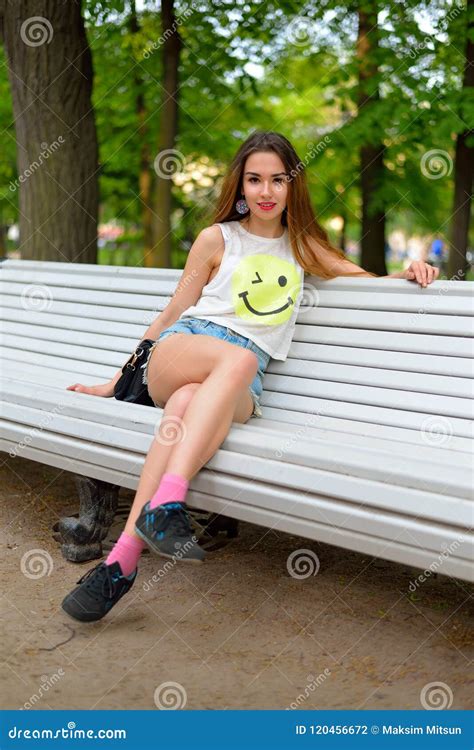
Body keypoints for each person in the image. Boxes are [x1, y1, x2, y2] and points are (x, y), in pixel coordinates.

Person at [61, 131, 439, 622]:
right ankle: (169, 504)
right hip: (182, 350)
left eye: (278, 180)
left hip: (237, 383)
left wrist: (411, 270)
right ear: (240, 185)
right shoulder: (219, 238)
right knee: (228, 365)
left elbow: (370, 282)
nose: (266, 191)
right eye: (255, 179)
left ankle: (121, 563)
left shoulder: (303, 247)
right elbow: (177, 307)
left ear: (292, 185)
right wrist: (114, 382)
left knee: (187, 405)